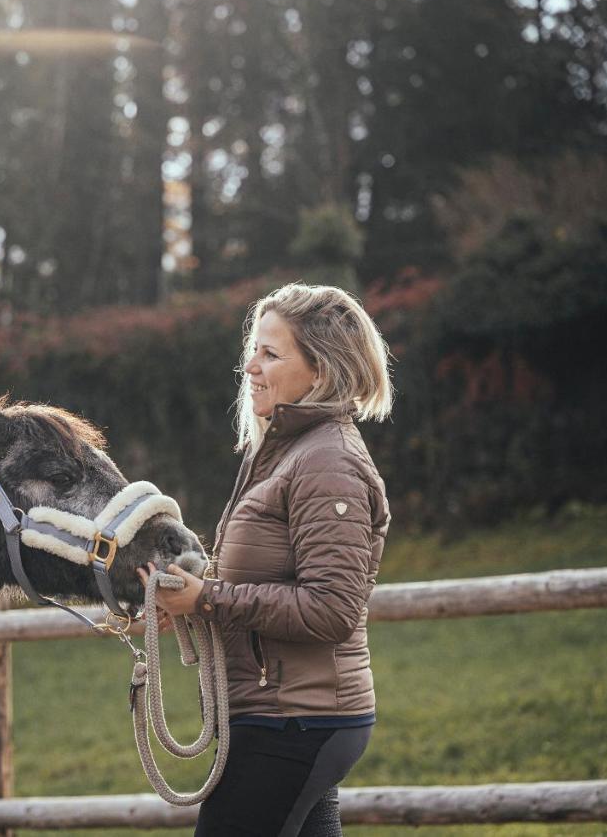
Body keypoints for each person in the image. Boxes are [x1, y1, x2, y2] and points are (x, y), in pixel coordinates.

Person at [140, 282, 392, 836]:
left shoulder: (327, 463)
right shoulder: (282, 453)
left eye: (271, 354)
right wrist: (192, 602)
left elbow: (331, 608)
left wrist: (207, 598)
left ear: (320, 373)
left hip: (296, 722)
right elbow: (262, 579)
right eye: (253, 349)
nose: (250, 366)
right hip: (284, 717)